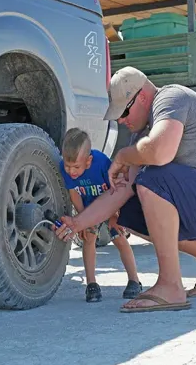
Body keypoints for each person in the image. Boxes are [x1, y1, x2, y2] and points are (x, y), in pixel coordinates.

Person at [54, 67, 196, 313]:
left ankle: (171, 286)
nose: (120, 121)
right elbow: (121, 191)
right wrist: (77, 223)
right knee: (126, 212)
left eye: (123, 112)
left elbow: (160, 152)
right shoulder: (142, 134)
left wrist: (124, 155)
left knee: (152, 178)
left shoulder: (171, 98)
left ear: (141, 96)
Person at [58, 127, 143, 303]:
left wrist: (115, 215)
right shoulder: (65, 168)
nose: (71, 171)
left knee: (119, 238)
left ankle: (134, 280)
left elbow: (116, 188)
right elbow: (74, 193)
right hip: (89, 210)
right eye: (67, 166)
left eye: (76, 167)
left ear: (88, 161)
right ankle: (92, 284)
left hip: (109, 207)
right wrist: (82, 219)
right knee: (89, 240)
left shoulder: (102, 163)